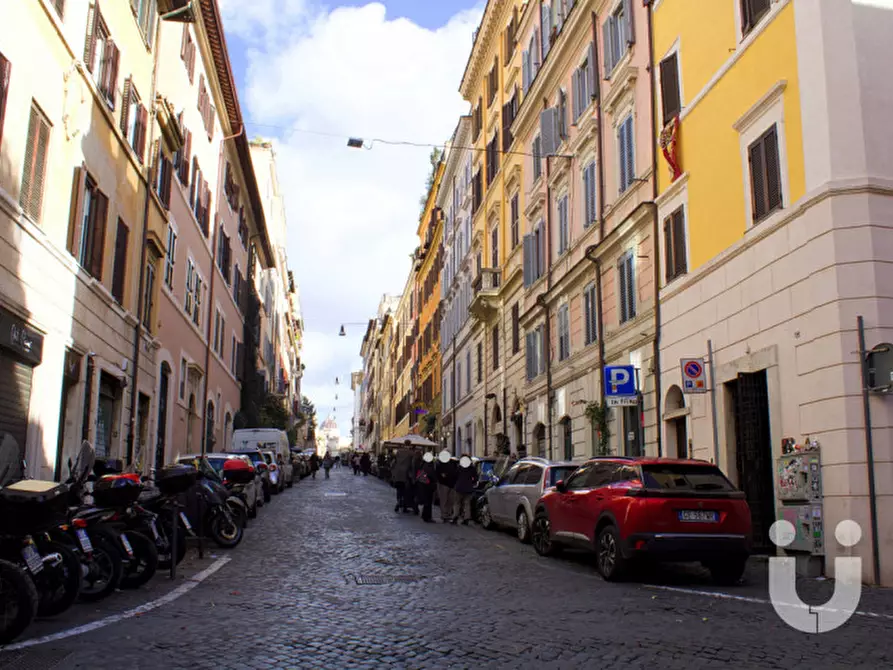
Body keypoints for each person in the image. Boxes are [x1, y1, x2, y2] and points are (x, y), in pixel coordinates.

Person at [435, 449, 458, 524]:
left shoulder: (453, 462)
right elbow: (438, 473)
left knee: (451, 500)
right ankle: (444, 515)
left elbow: (456, 472)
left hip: (452, 484)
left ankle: (448, 514)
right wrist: (442, 476)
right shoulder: (439, 463)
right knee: (444, 500)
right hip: (443, 484)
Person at [454, 454, 478, 525]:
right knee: (467, 504)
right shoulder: (472, 468)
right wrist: (471, 482)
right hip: (468, 488)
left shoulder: (459, 467)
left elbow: (455, 476)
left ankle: (455, 516)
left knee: (457, 503)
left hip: (459, 487)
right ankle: (466, 518)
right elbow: (475, 478)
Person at [415, 452, 437, 522]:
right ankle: (427, 516)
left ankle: (425, 515)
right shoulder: (429, 465)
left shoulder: (423, 464)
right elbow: (431, 475)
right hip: (428, 485)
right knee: (428, 502)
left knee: (426, 502)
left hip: (423, 485)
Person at [391, 447, 415, 513]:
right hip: (405, 476)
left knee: (399, 491)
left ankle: (398, 502)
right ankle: (404, 507)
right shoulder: (410, 452)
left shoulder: (398, 452)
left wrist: (393, 474)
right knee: (405, 493)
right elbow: (413, 465)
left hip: (398, 476)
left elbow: (392, 465)